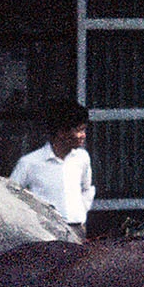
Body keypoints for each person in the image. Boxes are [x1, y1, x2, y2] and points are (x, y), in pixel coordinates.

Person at [10, 99, 95, 238]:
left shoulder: (82, 158)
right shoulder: (29, 163)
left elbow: (86, 189)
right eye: (79, 130)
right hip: (45, 234)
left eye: (84, 130)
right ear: (61, 132)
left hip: (77, 231)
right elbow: (10, 197)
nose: (83, 136)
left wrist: (80, 213)